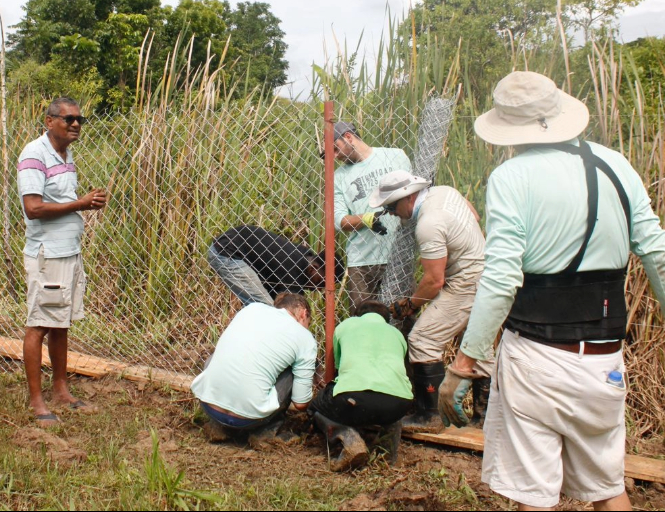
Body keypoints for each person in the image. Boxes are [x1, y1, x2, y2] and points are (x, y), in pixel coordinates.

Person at [440, 71, 665, 511]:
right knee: (607, 489)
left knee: (535, 495)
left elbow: (502, 278)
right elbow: (659, 256)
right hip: (605, 361)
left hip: (536, 357)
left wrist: (464, 363)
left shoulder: (510, 177)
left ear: (508, 127)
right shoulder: (616, 164)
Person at [368, 171, 494, 432]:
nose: (391, 213)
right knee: (478, 344)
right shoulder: (446, 192)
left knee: (422, 339)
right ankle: (484, 419)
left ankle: (430, 416)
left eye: (391, 206)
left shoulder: (429, 224)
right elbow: (474, 215)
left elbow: (434, 281)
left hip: (466, 281)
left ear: (409, 197)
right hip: (486, 275)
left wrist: (410, 305)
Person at [17, 97, 108, 425]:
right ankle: (37, 401)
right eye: (68, 119)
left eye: (79, 119)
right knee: (40, 323)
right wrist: (80, 205)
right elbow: (33, 207)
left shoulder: (66, 156)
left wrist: (85, 203)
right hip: (47, 255)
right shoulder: (34, 155)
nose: (75, 124)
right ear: (49, 120)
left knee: (61, 323)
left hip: (68, 252)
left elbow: (63, 201)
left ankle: (61, 391)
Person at [191, 292, 317, 448]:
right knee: (292, 370)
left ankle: (220, 426)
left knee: (218, 357)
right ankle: (265, 431)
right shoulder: (305, 338)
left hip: (209, 406)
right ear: (303, 314)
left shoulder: (251, 309)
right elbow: (300, 403)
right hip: (248, 419)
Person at [309, 301, 412, 471]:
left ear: (357, 315)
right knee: (394, 395)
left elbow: (339, 367)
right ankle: (388, 455)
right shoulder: (397, 334)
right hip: (399, 404)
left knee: (316, 407)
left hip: (352, 398)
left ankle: (349, 439)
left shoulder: (346, 325)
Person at [331, 121, 412, 308]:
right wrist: (368, 219)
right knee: (363, 321)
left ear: (349, 138)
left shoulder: (395, 156)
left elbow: (414, 195)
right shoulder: (338, 177)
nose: (335, 157)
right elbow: (339, 220)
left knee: (401, 318)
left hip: (398, 254)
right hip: (361, 262)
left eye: (336, 149)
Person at [207, 225, 341, 307]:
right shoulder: (292, 273)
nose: (319, 289)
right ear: (314, 268)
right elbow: (289, 315)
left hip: (230, 248)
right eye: (321, 283)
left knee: (261, 307)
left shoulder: (304, 255)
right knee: (265, 310)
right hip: (227, 253)